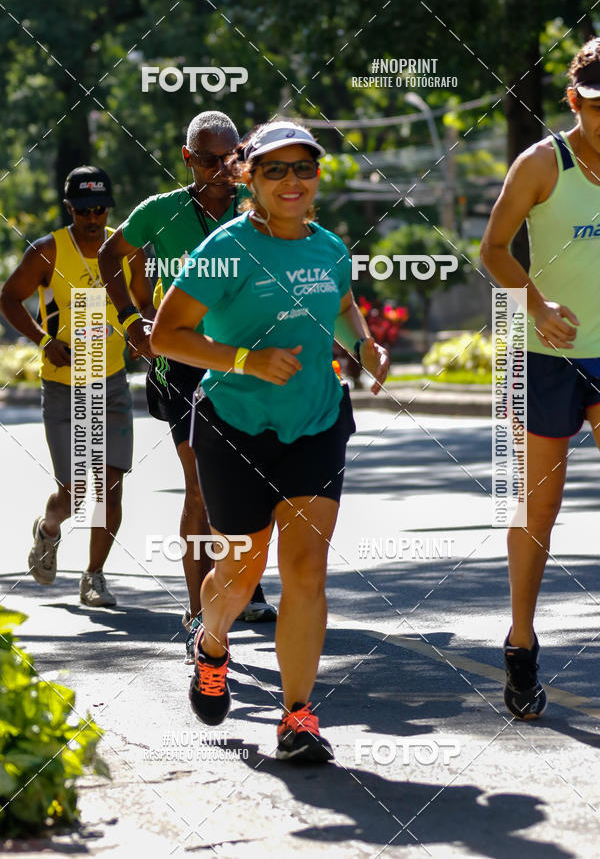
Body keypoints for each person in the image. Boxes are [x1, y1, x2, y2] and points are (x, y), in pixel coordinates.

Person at [151, 120, 389, 762]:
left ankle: (297, 716)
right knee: (241, 566)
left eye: (303, 168)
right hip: (235, 429)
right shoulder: (224, 251)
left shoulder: (330, 247)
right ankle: (212, 645)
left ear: (318, 176)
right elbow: (166, 337)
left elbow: (340, 304)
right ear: (248, 177)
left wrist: (363, 345)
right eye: (275, 170)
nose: (292, 181)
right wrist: (245, 361)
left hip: (315, 421)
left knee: (307, 569)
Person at [98, 111, 276, 664]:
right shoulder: (160, 211)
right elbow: (110, 257)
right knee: (200, 485)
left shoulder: (261, 209)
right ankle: (198, 613)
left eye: (230, 159)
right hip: (182, 365)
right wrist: (133, 322)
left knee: (254, 481)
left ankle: (242, 580)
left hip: (245, 362)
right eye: (208, 159)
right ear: (186, 158)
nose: (221, 169)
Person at [481, 38, 600, 720]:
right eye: (597, 106)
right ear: (573, 100)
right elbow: (492, 249)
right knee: (540, 507)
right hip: (547, 355)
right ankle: (521, 641)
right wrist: (537, 304)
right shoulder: (542, 163)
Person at [0, 166, 153, 606]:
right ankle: (49, 528)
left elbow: (145, 303)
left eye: (100, 208)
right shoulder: (49, 251)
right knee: (77, 494)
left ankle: (94, 576)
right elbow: (8, 297)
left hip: (111, 382)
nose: (93, 218)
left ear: (110, 207)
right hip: (64, 387)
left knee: (110, 486)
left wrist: (145, 333)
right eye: (84, 210)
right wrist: (44, 341)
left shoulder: (128, 252)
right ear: (70, 209)